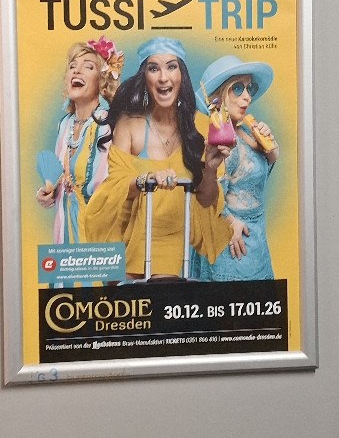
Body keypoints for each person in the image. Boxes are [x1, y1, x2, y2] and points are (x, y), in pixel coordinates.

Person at [83, 38, 230, 278]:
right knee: (124, 299)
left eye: (171, 67)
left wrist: (211, 170)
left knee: (164, 291)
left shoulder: (203, 128)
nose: (163, 77)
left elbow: (206, 201)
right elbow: (115, 187)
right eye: (154, 68)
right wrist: (147, 179)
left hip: (171, 237)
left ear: (182, 76)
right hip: (127, 235)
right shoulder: (129, 125)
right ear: (145, 78)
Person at [193, 53, 279, 281]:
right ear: (218, 96)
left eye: (250, 88)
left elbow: (252, 178)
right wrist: (230, 223)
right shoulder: (217, 140)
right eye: (238, 88)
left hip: (257, 239)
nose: (247, 96)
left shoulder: (245, 131)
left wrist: (270, 150)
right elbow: (205, 195)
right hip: (234, 245)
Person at [36, 37, 123, 244]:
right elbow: (61, 177)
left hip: (97, 232)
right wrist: (47, 193)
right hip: (64, 231)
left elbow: (110, 186)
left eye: (88, 67)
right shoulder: (64, 125)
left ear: (102, 81)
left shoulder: (108, 124)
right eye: (72, 66)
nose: (77, 71)